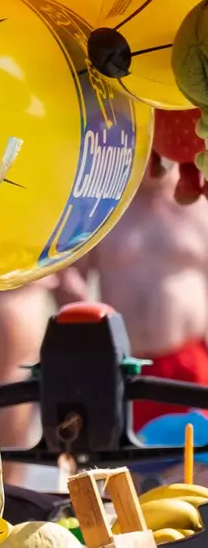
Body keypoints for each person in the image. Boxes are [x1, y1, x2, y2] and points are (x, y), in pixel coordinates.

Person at [58, 154, 208, 428]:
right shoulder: (104, 209)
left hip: (192, 363)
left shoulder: (200, 205)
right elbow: (70, 280)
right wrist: (72, 296)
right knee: (131, 464)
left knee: (199, 464)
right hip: (126, 367)